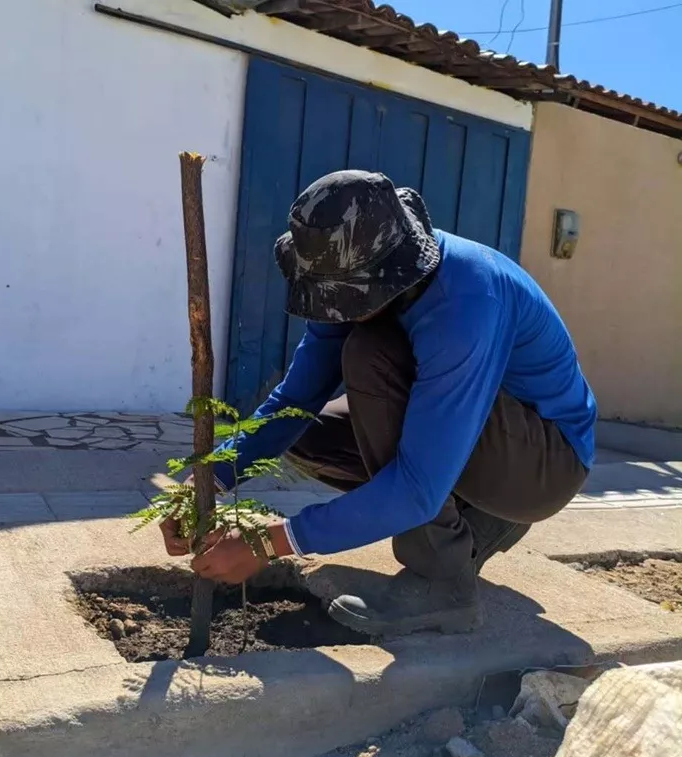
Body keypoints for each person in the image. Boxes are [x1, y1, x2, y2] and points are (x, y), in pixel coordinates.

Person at [161, 170, 597, 636]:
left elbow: (414, 487)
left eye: (342, 297)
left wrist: (270, 543)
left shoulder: (466, 303)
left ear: (384, 279)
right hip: (483, 443)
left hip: (544, 466)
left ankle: (442, 583)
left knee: (370, 355)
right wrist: (208, 481)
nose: (331, 307)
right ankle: (473, 520)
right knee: (305, 431)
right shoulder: (347, 280)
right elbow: (294, 399)